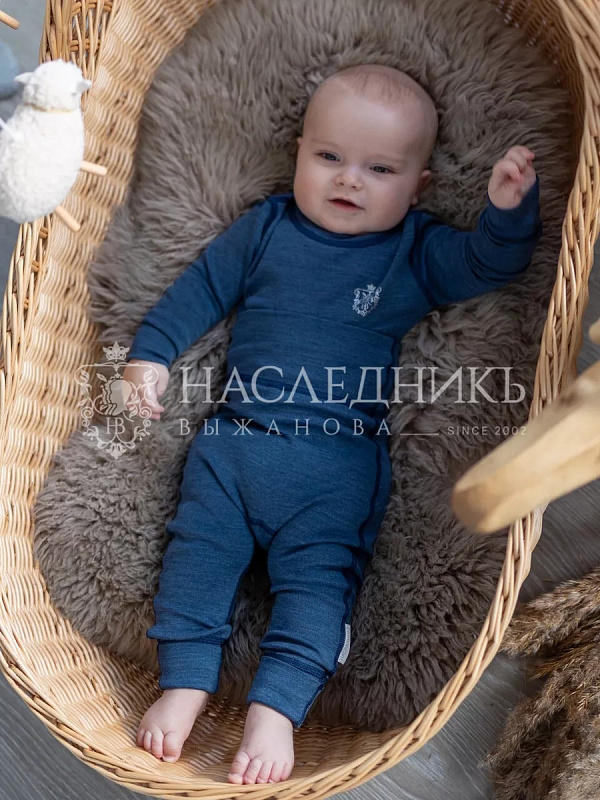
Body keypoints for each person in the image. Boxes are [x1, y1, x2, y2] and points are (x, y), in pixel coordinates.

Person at [125, 63, 542, 784]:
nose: (350, 179)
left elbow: (487, 264)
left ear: (418, 187)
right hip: (233, 447)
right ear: (298, 153)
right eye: (329, 157)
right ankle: (184, 682)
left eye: (380, 169)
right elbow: (199, 290)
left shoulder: (411, 251)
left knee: (320, 590)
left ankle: (276, 710)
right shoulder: (265, 228)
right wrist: (150, 357)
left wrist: (507, 210)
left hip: (333, 468)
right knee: (194, 560)